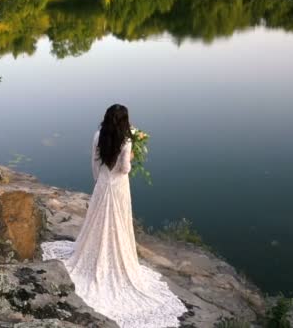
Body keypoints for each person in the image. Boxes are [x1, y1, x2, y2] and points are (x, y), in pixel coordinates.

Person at [41, 104, 187, 328]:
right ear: (125, 121)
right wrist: (133, 154)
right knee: (117, 221)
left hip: (102, 183)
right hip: (118, 187)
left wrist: (98, 181)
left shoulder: (98, 134)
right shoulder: (126, 141)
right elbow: (126, 168)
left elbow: (94, 162)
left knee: (97, 220)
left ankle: (95, 250)